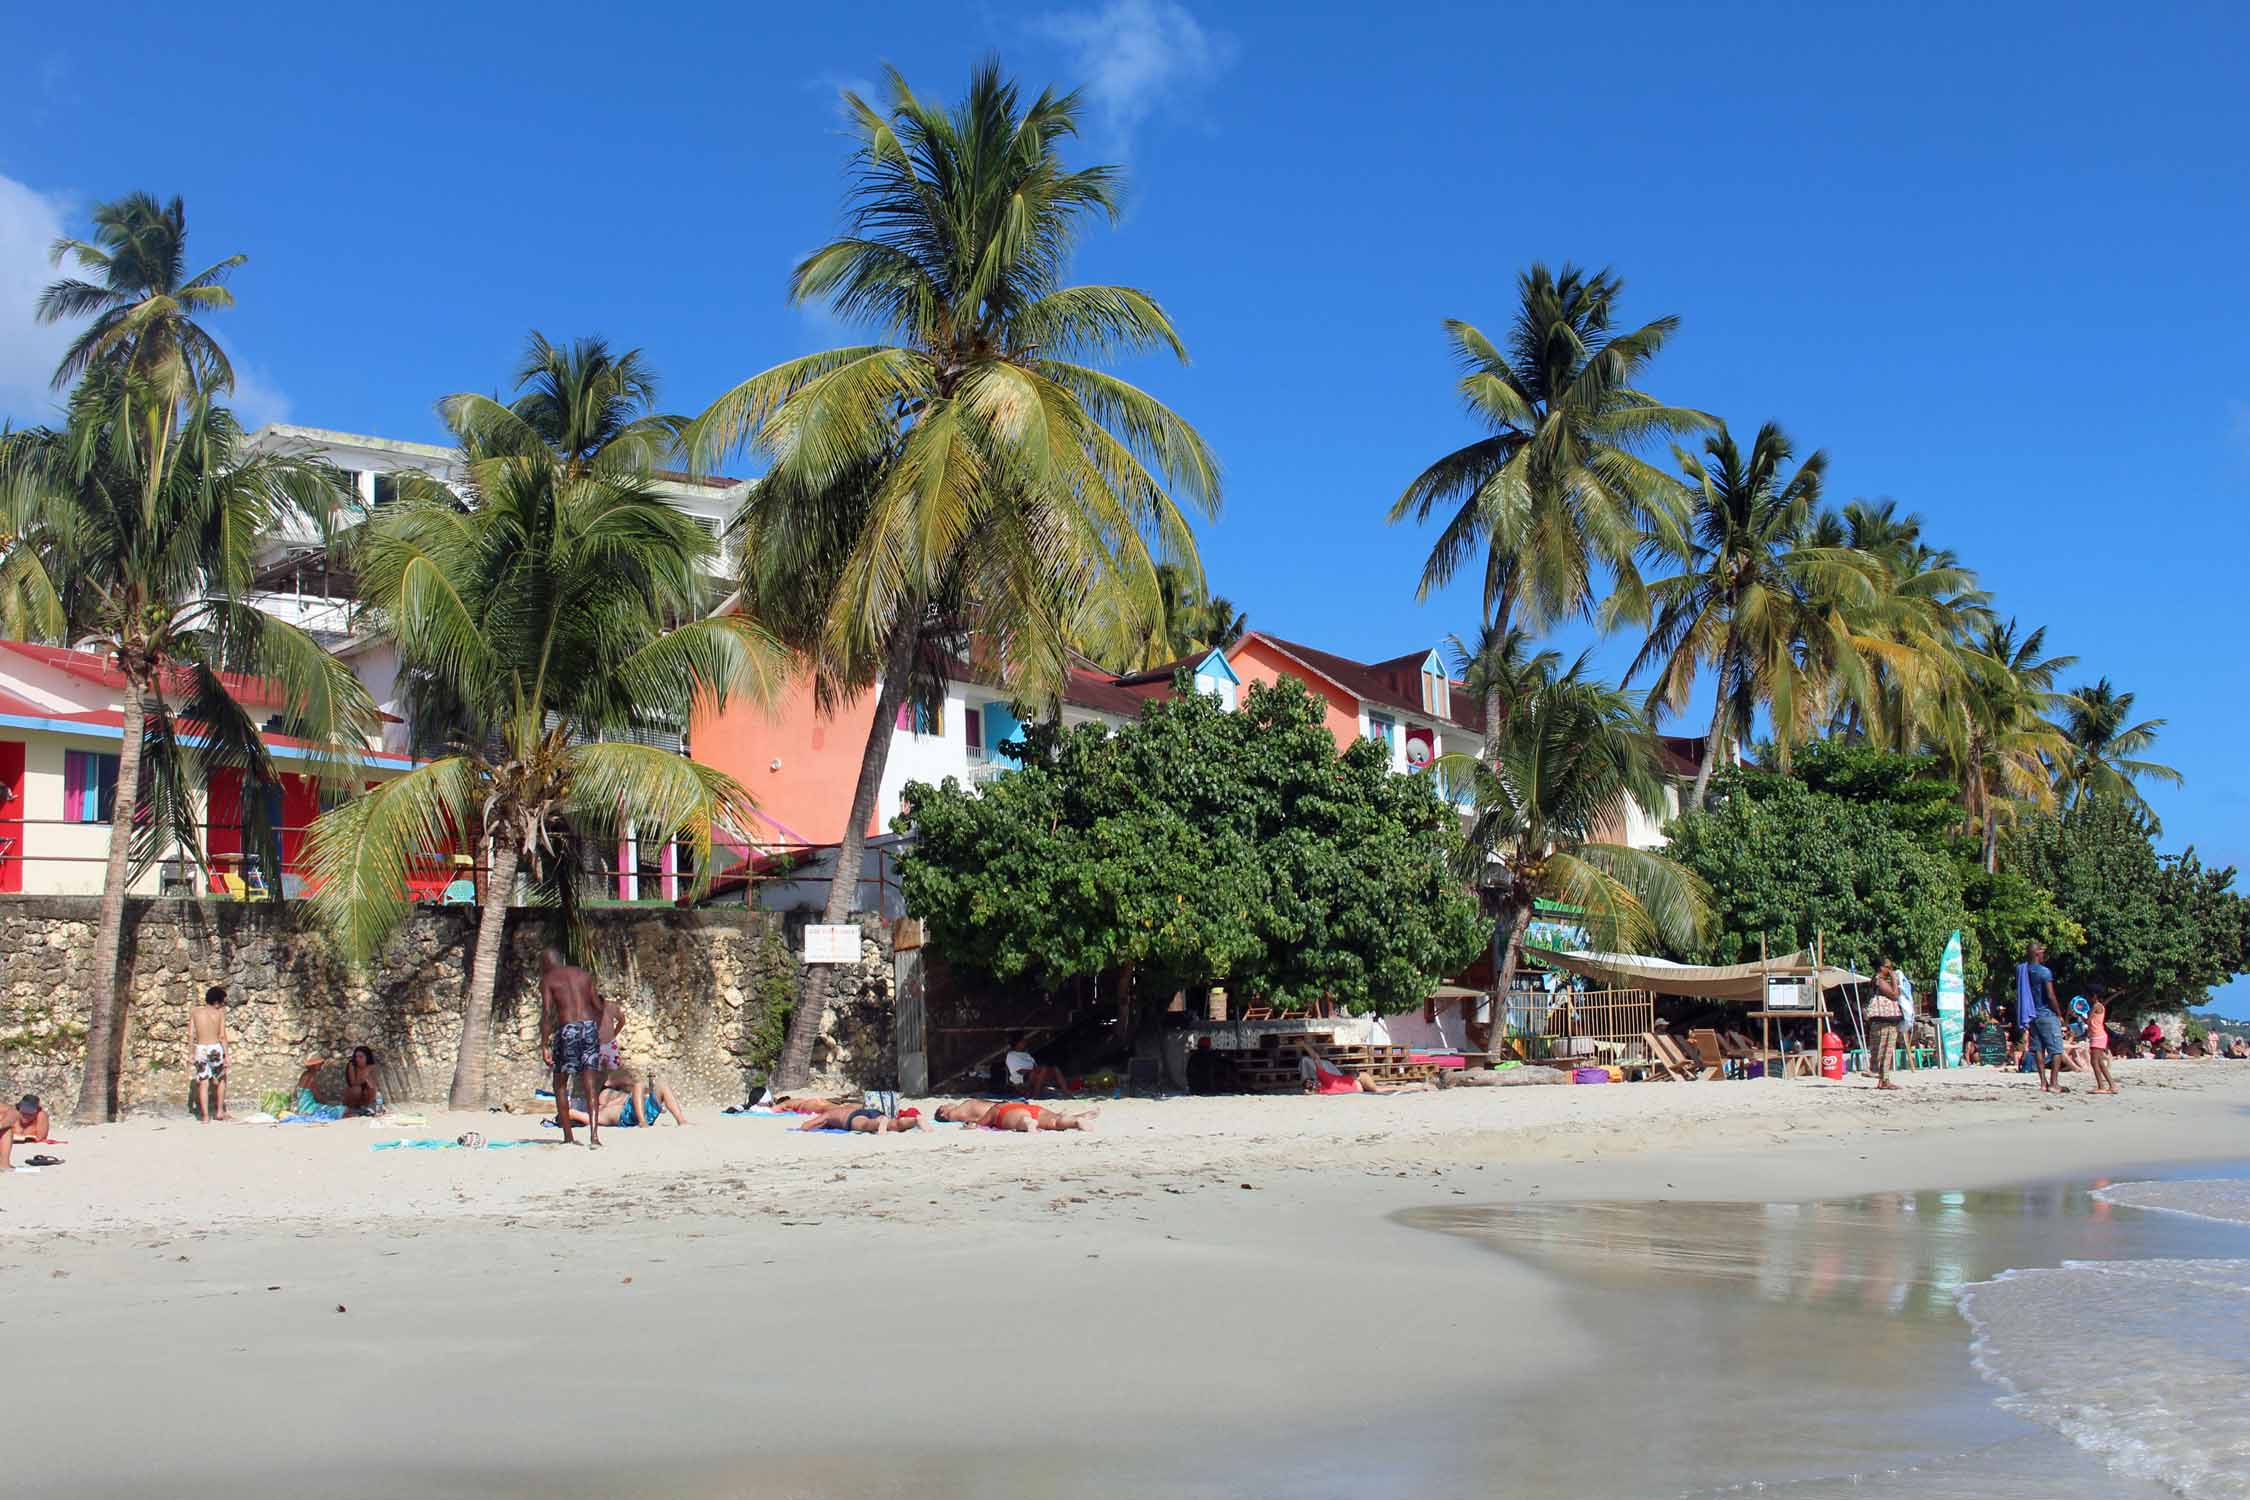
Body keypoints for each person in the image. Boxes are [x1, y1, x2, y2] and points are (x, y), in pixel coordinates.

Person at [539, 948, 608, 1149]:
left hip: (567, 1030)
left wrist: (544, 1044)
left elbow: (546, 1013)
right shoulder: (584, 975)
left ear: (546, 963)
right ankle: (594, 1137)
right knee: (590, 1084)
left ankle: (568, 1136)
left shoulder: (549, 980)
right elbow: (597, 1005)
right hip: (589, 1029)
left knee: (560, 1082)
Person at [2017, 944, 2067, 1093]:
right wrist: (2059, 1014)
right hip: (2046, 1014)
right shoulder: (2044, 972)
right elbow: (2050, 995)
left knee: (2038, 1049)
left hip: (2031, 1014)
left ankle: (2043, 1083)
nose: (2044, 954)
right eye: (2042, 952)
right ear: (2037, 954)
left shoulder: (2023, 970)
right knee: (2056, 1049)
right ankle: (2054, 1083)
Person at [292, 1049, 385, 1117]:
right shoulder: (310, 1078)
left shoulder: (305, 1074)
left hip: (303, 1107)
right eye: (319, 1064)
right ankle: (362, 1113)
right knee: (340, 1110)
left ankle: (361, 1111)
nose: (321, 1065)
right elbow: (318, 1097)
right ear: (314, 1065)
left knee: (341, 1108)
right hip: (309, 1109)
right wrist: (329, 1105)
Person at [1298, 1053, 1433, 1096]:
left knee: (1379, 1090)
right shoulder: (1322, 1091)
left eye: (1312, 1081)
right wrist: (1309, 1091)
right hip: (1358, 1086)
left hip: (1359, 1079)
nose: (1314, 1084)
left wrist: (1303, 1044)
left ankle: (1418, 1088)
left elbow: (1315, 1057)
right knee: (1383, 1088)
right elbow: (1308, 1093)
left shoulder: (1323, 1077)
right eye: (1311, 1086)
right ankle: (1417, 1087)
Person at [190, 985, 231, 1122]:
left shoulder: (195, 1012)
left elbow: (190, 1035)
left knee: (203, 1082)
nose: (222, 1005)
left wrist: (191, 1053)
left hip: (201, 1049)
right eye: (222, 1002)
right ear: (217, 1002)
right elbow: (222, 1036)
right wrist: (226, 1055)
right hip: (215, 1048)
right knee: (221, 1079)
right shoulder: (219, 1014)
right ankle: (219, 1111)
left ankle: (205, 1117)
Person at [935, 1098, 1098, 1132]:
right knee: (1054, 1121)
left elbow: (979, 1123)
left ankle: (1027, 1124)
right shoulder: (962, 1108)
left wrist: (973, 1125)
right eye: (945, 1105)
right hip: (1009, 1106)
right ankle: (1076, 1119)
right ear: (943, 1112)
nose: (949, 1103)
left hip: (1003, 1113)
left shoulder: (963, 1111)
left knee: (1025, 1120)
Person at [1867, 959, 1904, 1091]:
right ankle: (1884, 1080)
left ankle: (1884, 1080)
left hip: (1884, 1020)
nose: (1890, 970)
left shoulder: (1876, 980)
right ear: (1881, 968)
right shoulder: (1879, 980)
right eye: (1888, 967)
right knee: (1884, 1050)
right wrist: (1894, 979)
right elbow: (1894, 995)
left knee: (1884, 1051)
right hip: (1883, 1020)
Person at [796, 1101, 923, 1134]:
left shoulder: (828, 1114)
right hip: (870, 1110)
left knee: (866, 1125)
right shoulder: (846, 1107)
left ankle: (880, 1124)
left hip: (853, 1117)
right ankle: (914, 1120)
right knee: (893, 1125)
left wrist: (811, 1127)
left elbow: (806, 1125)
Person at [1002, 1034, 1068, 1097]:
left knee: (1055, 1068)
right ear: (1017, 1043)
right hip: (1023, 1079)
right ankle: (1035, 1095)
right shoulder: (1011, 1055)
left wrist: (1037, 1070)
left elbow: (1035, 1066)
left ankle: (1066, 1092)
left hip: (1034, 1075)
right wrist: (1035, 1070)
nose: (1025, 1043)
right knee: (1042, 1069)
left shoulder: (1026, 1054)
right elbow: (1019, 1071)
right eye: (1023, 1041)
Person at [2085, 990, 2117, 1095]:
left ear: (2094, 996)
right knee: (2099, 1062)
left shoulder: (2096, 1006)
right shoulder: (2100, 1006)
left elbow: (2088, 1021)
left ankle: (2101, 1086)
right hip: (2099, 1035)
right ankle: (2112, 1085)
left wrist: (2079, 1015)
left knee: (2094, 1062)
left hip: (2097, 1036)